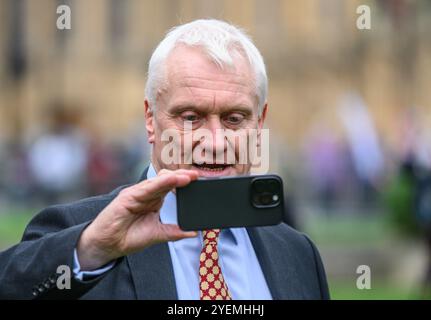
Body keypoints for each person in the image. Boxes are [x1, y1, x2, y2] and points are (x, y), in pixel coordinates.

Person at [0, 19, 329, 300]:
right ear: (150, 118)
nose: (215, 142)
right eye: (190, 117)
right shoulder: (86, 236)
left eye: (234, 119)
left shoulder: (297, 253)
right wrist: (90, 250)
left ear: (259, 123)